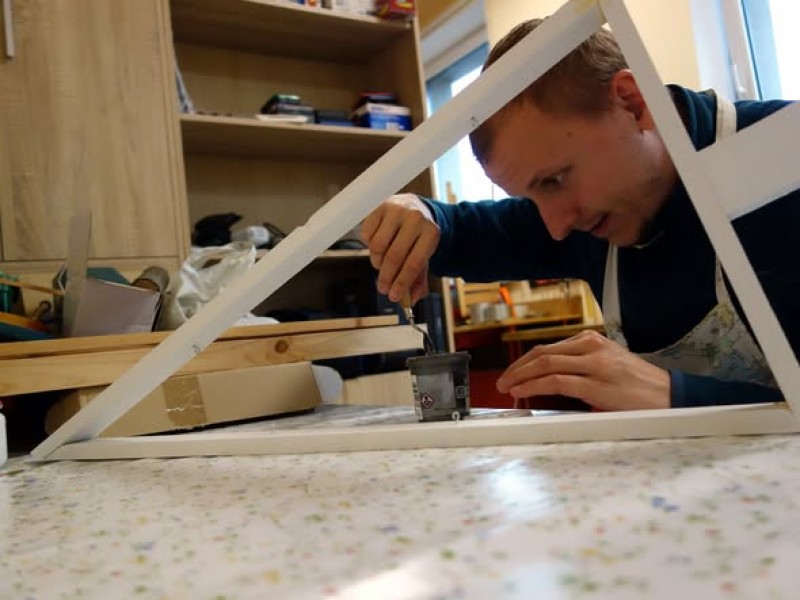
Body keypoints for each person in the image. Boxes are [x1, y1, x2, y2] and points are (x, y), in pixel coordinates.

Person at [360, 19, 800, 411]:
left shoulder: (787, 154)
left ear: (632, 103)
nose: (556, 226)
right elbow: (466, 232)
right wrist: (420, 215)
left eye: (554, 180)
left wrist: (678, 396)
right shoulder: (587, 216)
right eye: (532, 198)